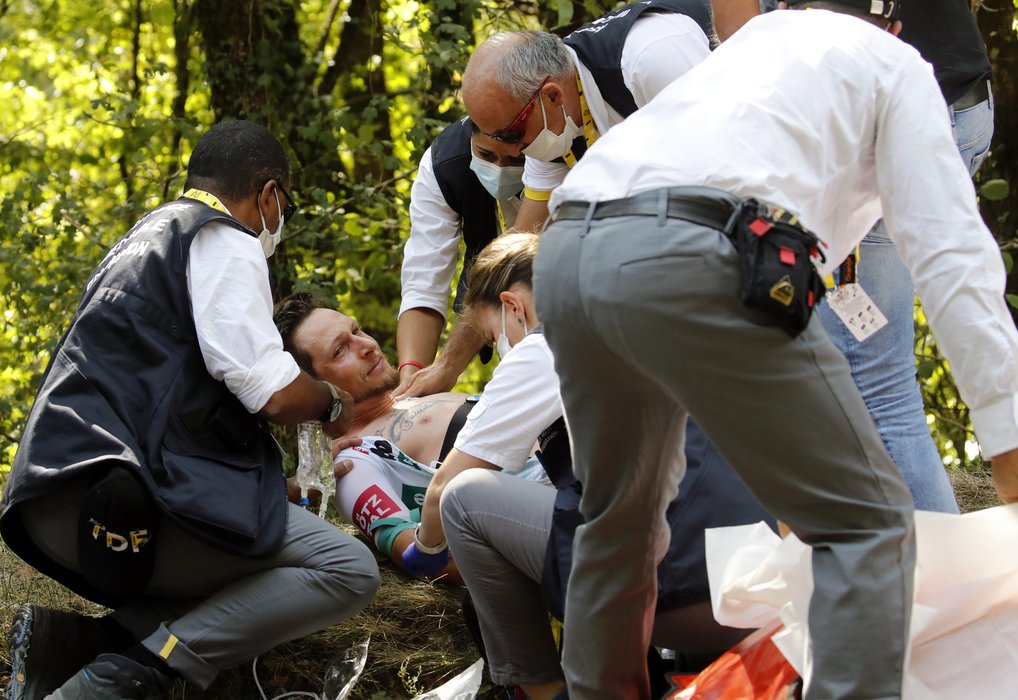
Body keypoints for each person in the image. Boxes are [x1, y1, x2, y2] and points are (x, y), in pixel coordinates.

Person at [529, 2, 1018, 699]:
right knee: (867, 526)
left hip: (572, 247)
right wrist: (1008, 439)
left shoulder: (749, 45)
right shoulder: (893, 63)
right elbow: (949, 255)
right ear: (894, 24)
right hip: (698, 250)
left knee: (621, 526)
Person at [0, 120, 380, 700]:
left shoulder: (145, 238)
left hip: (58, 489)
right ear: (270, 194)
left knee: (252, 546)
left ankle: (71, 649)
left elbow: (173, 404)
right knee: (347, 569)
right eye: (286, 207)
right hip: (113, 500)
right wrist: (331, 401)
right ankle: (123, 682)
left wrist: (261, 486)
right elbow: (271, 391)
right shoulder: (224, 239)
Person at [401, 232, 775, 700]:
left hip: (679, 592)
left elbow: (443, 489)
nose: (501, 348)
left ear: (513, 307)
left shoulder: (546, 345)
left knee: (465, 500)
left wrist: (423, 551)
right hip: (763, 574)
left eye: (493, 336)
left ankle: (543, 690)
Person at [709, 0, 993, 515]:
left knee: (872, 378)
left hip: (879, 109)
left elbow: (739, 38)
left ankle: (935, 576)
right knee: (870, 370)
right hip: (962, 99)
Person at [399, 0, 715, 397]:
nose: (513, 154)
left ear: (550, 95)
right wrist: (446, 367)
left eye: (511, 136)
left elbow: (732, 177)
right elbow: (515, 254)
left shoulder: (651, 57)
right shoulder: (552, 134)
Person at [273, 293, 548, 582]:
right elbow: (417, 557)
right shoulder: (353, 458)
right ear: (309, 388)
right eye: (340, 350)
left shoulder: (417, 391)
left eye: (356, 331)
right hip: (556, 509)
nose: (366, 346)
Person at [396, 117, 525, 394]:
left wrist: (449, 366)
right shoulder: (443, 164)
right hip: (507, 330)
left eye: (516, 159)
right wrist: (411, 379)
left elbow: (515, 265)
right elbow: (424, 284)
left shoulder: (560, 148)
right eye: (486, 155)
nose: (500, 169)